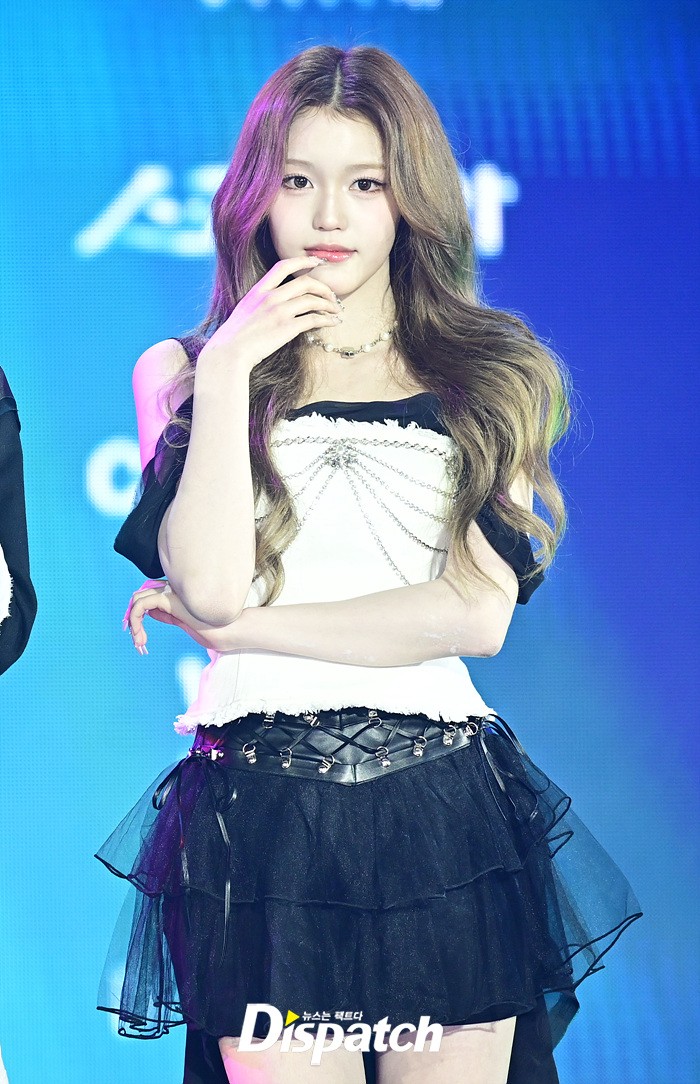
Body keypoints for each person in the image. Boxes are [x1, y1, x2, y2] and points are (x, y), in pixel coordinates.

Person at [96, 44, 643, 1084]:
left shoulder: (487, 370)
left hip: (442, 817)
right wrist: (231, 364)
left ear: (410, 199)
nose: (328, 217)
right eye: (298, 181)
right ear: (256, 196)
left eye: (365, 184)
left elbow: (473, 616)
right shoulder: (186, 370)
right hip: (258, 819)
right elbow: (208, 583)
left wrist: (243, 629)